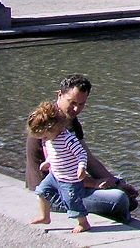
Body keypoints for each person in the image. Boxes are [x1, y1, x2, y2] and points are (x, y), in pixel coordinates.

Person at [26, 74, 138, 224]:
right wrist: (95, 184)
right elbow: (61, 171)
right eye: (71, 102)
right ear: (59, 95)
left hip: (71, 182)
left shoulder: (70, 121)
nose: (76, 108)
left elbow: (87, 158)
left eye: (81, 104)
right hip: (55, 193)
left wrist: (116, 183)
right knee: (119, 200)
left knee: (120, 185)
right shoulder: (48, 124)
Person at [27, 100, 95, 233]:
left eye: (45, 135)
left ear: (54, 128)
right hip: (55, 175)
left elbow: (81, 153)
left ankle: (83, 223)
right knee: (42, 191)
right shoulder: (50, 139)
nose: (44, 139)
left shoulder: (67, 138)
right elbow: (55, 153)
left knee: (72, 201)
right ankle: (44, 216)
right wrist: (48, 162)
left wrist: (81, 167)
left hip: (69, 179)